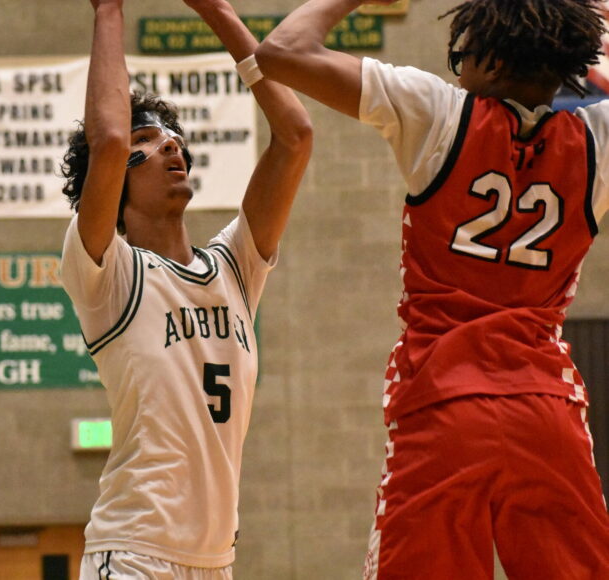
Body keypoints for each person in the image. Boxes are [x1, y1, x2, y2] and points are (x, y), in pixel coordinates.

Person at [255, 0, 609, 578]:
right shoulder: (598, 141)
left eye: (460, 55)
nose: (455, 70)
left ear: (491, 63)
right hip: (548, 409)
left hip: (443, 401)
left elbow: (281, 52)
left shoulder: (441, 112)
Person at [59, 0, 312, 577]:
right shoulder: (110, 274)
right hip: (133, 555)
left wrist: (216, 9)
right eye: (151, 140)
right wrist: (108, 10)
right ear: (117, 178)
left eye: (175, 138)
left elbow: (295, 134)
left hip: (216, 561)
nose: (172, 145)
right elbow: (108, 141)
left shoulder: (234, 269)